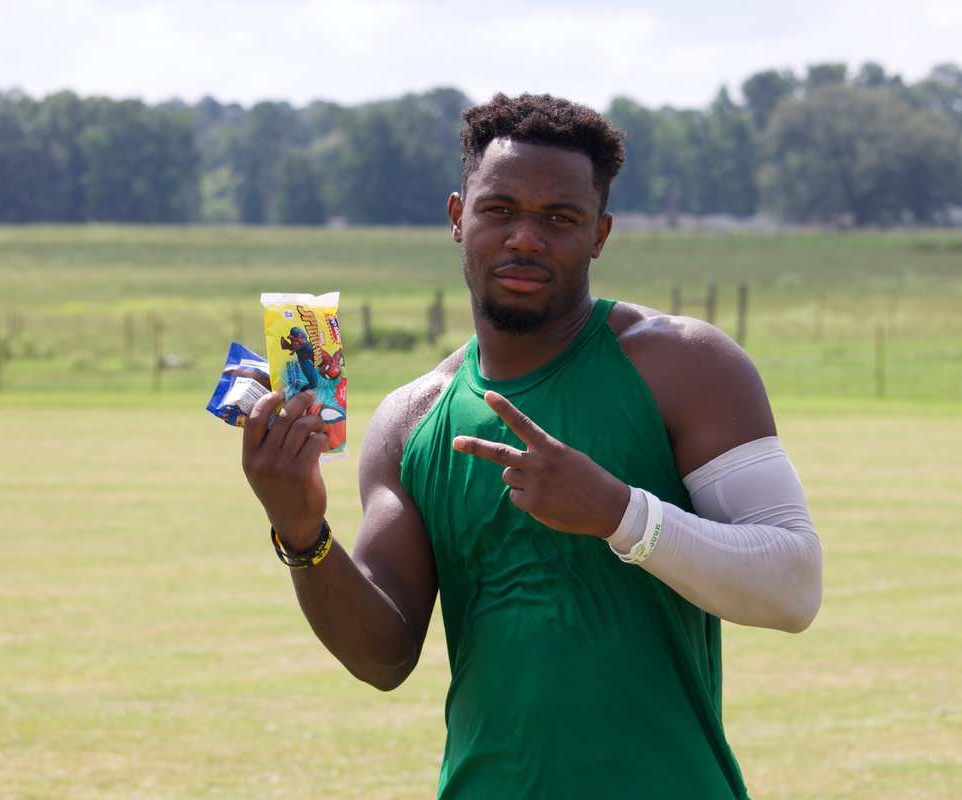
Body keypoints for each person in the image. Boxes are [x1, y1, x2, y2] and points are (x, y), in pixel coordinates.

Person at [241, 92, 822, 799]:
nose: (525, 237)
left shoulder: (687, 366)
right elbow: (383, 656)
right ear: (458, 218)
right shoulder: (410, 421)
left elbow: (793, 587)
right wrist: (301, 530)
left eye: (560, 218)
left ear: (600, 233)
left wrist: (618, 513)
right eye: (499, 210)